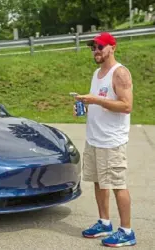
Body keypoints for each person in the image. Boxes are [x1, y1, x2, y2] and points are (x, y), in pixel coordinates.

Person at [73, 32, 136, 247]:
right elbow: (101, 102)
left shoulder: (120, 73)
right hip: (94, 138)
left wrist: (96, 100)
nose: (96, 51)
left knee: (118, 185)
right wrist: (85, 104)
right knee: (99, 183)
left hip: (111, 140)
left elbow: (126, 106)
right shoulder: (97, 73)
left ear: (112, 47)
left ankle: (127, 232)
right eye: (93, 47)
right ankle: (104, 223)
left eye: (100, 46)